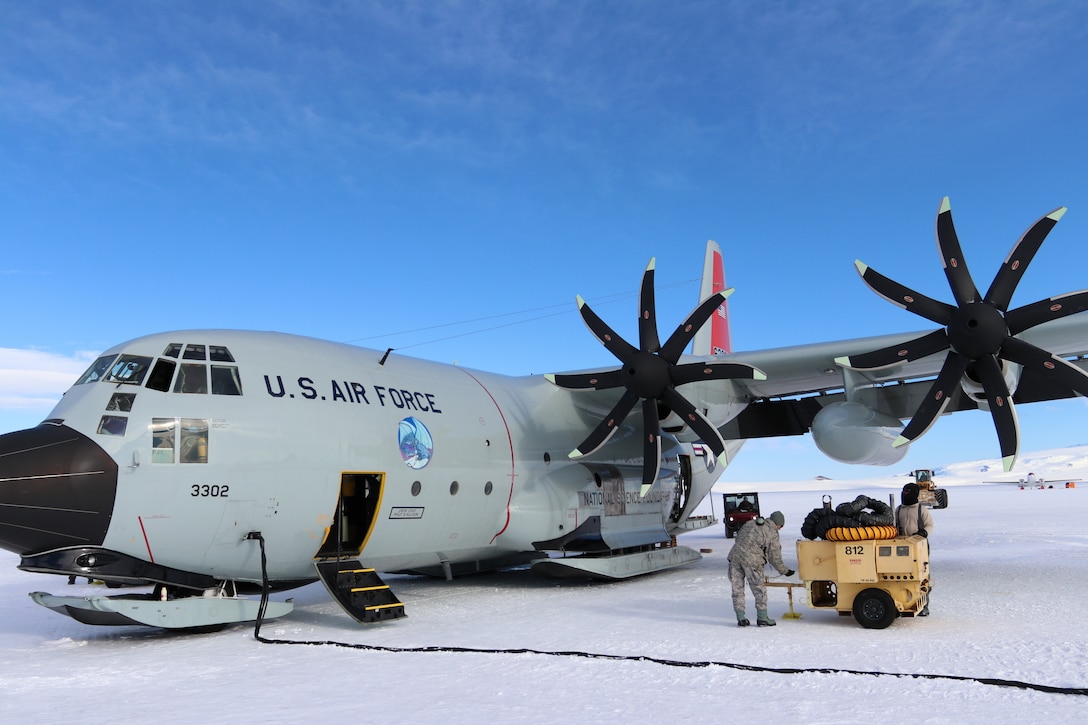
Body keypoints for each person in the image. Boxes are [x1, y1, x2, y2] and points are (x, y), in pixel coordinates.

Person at [727, 510, 794, 627]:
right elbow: (774, 556)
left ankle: (741, 618)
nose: (780, 529)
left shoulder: (750, 523)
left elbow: (739, 539)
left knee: (737, 589)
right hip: (752, 561)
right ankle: (762, 618)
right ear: (777, 524)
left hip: (735, 557)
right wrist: (784, 571)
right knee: (759, 590)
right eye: (780, 526)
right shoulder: (771, 532)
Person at [897, 482, 935, 616]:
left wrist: (924, 533)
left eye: (908, 492)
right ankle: (906, 602)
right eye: (904, 491)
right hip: (902, 547)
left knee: (922, 576)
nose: (905, 494)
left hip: (920, 547)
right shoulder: (899, 509)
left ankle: (924, 605)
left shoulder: (921, 510)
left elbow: (930, 525)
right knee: (903, 575)